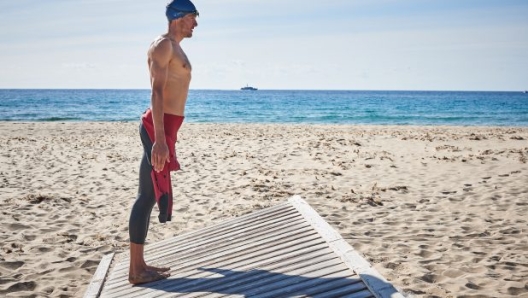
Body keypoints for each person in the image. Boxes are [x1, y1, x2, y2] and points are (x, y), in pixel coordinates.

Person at [128, 0, 199, 285]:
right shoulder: (164, 45)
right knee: (146, 196)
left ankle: (139, 265)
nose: (196, 23)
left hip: (167, 127)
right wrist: (159, 140)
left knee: (147, 193)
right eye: (194, 17)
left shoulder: (176, 47)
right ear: (180, 17)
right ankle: (136, 270)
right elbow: (156, 92)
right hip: (157, 128)